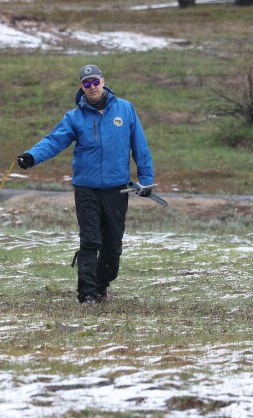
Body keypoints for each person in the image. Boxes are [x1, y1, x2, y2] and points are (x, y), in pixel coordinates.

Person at [16, 64, 155, 305]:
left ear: (103, 81)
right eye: (86, 83)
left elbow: (140, 146)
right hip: (86, 189)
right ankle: (87, 294)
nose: (92, 86)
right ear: (82, 87)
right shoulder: (74, 118)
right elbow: (54, 141)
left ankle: (102, 285)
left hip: (117, 189)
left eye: (95, 81)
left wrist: (146, 179)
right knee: (90, 241)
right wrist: (31, 156)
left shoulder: (125, 109)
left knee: (112, 247)